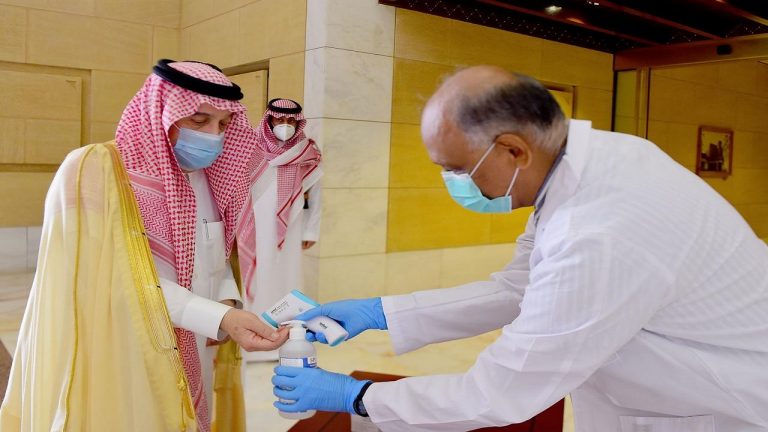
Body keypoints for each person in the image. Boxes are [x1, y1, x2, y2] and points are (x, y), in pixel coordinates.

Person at [272, 66, 768, 431]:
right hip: (660, 387)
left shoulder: (599, 231)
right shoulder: (586, 166)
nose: (455, 183)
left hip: (716, 406)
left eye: (458, 169)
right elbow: (518, 288)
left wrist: (358, 396)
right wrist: (381, 312)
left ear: (514, 150)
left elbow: (500, 392)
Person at [0, 59, 289, 432]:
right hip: (126, 352)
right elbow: (115, 281)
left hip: (196, 341)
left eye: (223, 125)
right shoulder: (96, 172)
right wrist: (219, 318)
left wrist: (227, 304)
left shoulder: (210, 179)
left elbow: (214, 260)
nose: (213, 136)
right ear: (162, 112)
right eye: (199, 120)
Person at [239, 98, 322, 362]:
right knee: (257, 275)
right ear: (269, 119)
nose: (284, 125)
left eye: (290, 121)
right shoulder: (250, 148)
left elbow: (316, 195)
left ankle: (286, 339)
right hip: (254, 224)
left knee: (287, 277)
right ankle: (253, 338)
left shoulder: (307, 151)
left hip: (292, 226)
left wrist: (310, 231)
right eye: (279, 119)